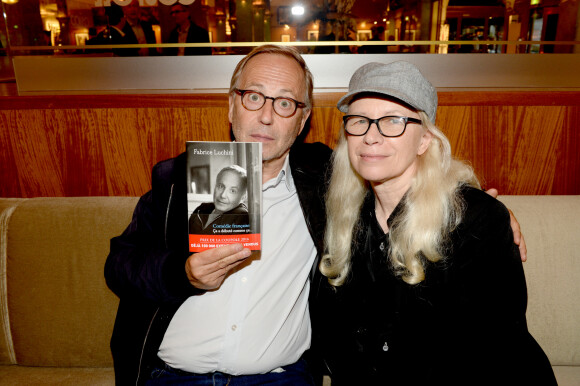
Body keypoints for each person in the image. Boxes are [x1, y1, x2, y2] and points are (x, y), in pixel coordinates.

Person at [104, 45, 526, 385]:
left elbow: (409, 177)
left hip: (278, 380)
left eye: (285, 103)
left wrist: (476, 205)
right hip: (172, 377)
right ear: (232, 105)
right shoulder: (182, 181)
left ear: (303, 119)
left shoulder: (322, 183)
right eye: (253, 97)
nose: (266, 115)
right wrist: (183, 274)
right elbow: (119, 265)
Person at [311, 61, 556, 385]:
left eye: (392, 121)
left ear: (424, 139)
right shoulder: (343, 217)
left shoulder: (477, 223)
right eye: (359, 121)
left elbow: (492, 353)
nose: (371, 136)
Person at [189, 165, 250, 235]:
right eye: (221, 186)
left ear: (243, 197)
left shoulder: (241, 216)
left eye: (233, 191)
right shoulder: (201, 209)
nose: (223, 195)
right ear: (215, 187)